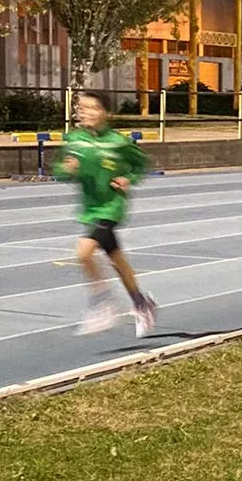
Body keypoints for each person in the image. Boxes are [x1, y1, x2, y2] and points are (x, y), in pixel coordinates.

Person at [54, 89, 158, 337]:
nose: (86, 113)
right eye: (82, 108)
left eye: (92, 108)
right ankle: (141, 303)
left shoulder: (117, 142)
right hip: (90, 208)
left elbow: (141, 164)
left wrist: (128, 178)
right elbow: (58, 170)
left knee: (84, 253)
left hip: (111, 206)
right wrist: (67, 169)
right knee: (116, 258)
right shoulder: (74, 140)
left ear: (105, 112)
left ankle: (103, 303)